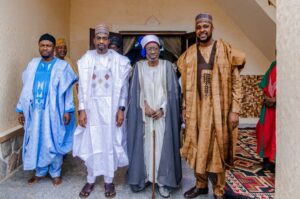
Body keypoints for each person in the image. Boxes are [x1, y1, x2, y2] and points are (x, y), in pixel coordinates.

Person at [178, 13, 246, 199]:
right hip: (196, 111)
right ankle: (201, 185)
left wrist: (235, 111)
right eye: (199, 26)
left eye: (205, 26)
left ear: (212, 28)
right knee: (197, 147)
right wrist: (185, 108)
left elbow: (237, 83)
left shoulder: (226, 50)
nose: (202, 30)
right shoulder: (189, 54)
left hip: (220, 111)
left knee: (218, 150)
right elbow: (185, 86)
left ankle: (219, 190)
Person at [73, 24, 131, 198]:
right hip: (91, 110)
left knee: (109, 143)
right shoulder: (86, 60)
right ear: (94, 40)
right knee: (91, 142)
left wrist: (121, 109)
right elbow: (82, 87)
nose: (101, 41)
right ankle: (90, 180)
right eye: (98, 38)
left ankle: (108, 181)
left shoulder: (119, 60)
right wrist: (81, 110)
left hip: (112, 110)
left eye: (104, 38)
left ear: (108, 40)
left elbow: (124, 90)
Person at [16, 33, 78, 186]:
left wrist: (67, 110)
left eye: (48, 45)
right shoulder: (32, 64)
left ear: (53, 48)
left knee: (54, 139)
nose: (45, 48)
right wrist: (20, 110)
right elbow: (26, 88)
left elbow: (68, 91)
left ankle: (56, 172)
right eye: (42, 45)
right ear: (39, 47)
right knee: (36, 140)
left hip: (54, 110)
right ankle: (39, 172)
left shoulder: (62, 66)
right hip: (35, 111)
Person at [127, 35, 182, 198]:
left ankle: (163, 181)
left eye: (155, 49)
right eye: (149, 49)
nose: (153, 52)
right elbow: (134, 91)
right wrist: (145, 107)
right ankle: (144, 178)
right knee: (144, 147)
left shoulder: (168, 67)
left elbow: (172, 93)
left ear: (160, 50)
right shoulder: (138, 67)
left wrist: (162, 109)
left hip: (162, 116)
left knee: (162, 148)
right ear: (145, 51)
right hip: (144, 115)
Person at [256, 61, 276, 172]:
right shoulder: (274, 65)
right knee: (264, 132)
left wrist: (276, 100)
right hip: (268, 107)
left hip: (280, 108)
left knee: (276, 134)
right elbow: (264, 84)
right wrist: (266, 98)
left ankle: (275, 162)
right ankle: (267, 160)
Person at [55, 38, 79, 124]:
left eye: (64, 47)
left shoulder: (69, 61)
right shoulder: (54, 63)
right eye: (60, 47)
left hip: (72, 97)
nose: (63, 50)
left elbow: (76, 78)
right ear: (55, 49)